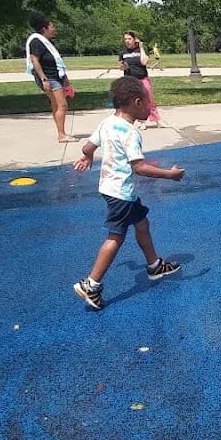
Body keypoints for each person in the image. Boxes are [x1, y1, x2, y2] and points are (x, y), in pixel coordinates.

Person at [72, 76, 184, 310]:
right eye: (147, 103)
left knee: (141, 223)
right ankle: (91, 284)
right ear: (136, 102)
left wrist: (88, 156)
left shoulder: (107, 123)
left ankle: (154, 265)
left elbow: (87, 146)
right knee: (116, 237)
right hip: (121, 193)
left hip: (113, 189)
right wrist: (169, 175)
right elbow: (139, 167)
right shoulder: (130, 133)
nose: (150, 108)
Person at [25, 13, 75, 143]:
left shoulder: (47, 43)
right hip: (49, 78)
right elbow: (34, 60)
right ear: (44, 29)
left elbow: (57, 62)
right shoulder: (37, 42)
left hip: (55, 76)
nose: (54, 28)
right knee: (62, 105)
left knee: (56, 105)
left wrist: (66, 82)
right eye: (52, 26)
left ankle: (61, 132)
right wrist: (44, 79)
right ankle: (62, 135)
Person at [119, 30, 160, 126]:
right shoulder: (123, 52)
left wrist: (141, 47)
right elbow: (121, 66)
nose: (127, 41)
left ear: (134, 39)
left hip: (142, 78)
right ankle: (141, 122)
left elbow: (144, 62)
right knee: (133, 102)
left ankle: (156, 120)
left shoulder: (141, 50)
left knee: (148, 99)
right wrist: (123, 67)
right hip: (130, 81)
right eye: (125, 39)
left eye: (129, 39)